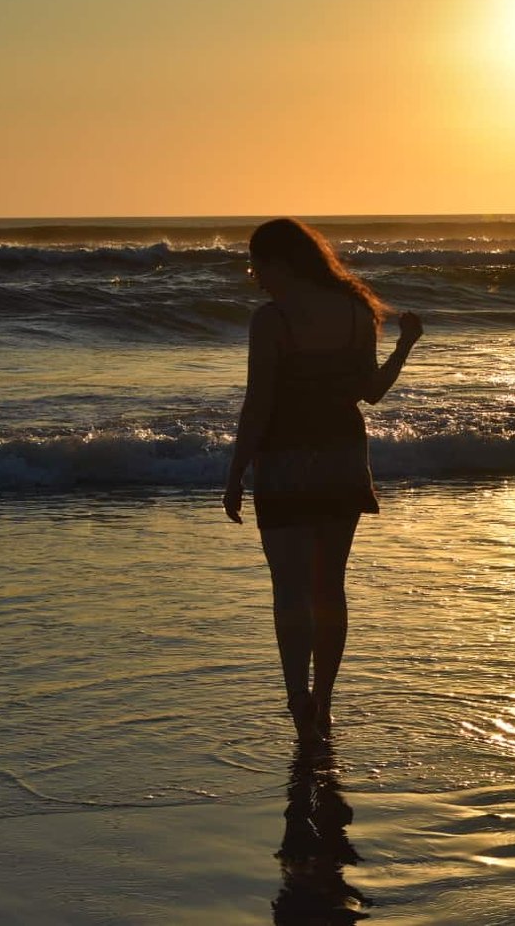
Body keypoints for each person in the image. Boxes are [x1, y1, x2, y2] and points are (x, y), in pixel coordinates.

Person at [224, 218, 423, 744]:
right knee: (328, 587)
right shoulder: (359, 312)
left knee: (289, 591)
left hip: (286, 461)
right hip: (342, 456)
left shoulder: (273, 321)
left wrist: (235, 470)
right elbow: (373, 392)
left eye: (258, 265)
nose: (255, 277)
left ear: (282, 262)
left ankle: (298, 703)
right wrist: (405, 346)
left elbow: (259, 403)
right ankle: (326, 704)